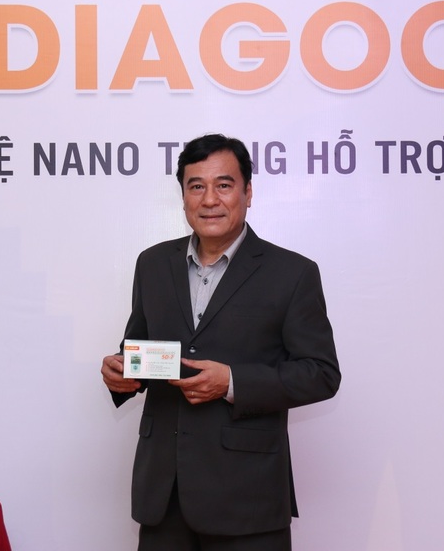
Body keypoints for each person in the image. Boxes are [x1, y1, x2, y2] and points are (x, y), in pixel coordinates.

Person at [101, 133, 341, 551]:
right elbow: (138, 351)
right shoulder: (152, 264)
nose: (209, 199)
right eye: (196, 186)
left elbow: (321, 374)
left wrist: (231, 382)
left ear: (248, 193)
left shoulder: (292, 273)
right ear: (183, 196)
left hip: (248, 500)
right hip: (164, 497)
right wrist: (121, 375)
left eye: (224, 185)